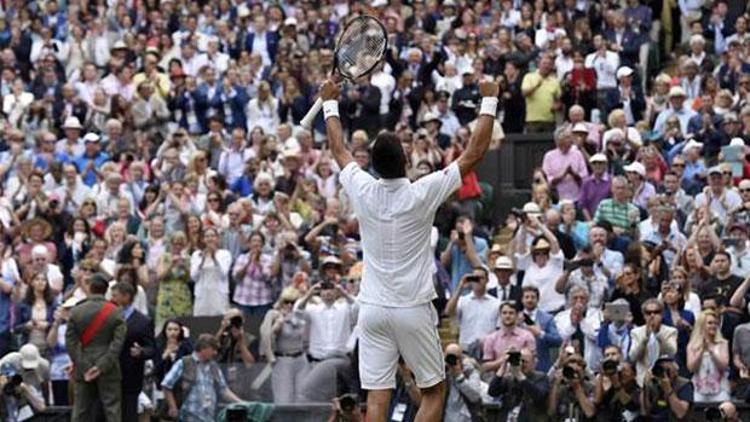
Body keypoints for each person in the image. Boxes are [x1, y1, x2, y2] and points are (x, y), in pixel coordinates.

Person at [318, 77, 499, 422]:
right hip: (412, 309)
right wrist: (489, 100)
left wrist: (330, 103)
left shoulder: (362, 188)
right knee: (434, 392)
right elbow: (474, 153)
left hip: (371, 309)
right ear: (405, 159)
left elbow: (339, 149)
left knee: (377, 399)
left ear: (373, 164)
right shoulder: (422, 192)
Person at [65, 273, 127, 422]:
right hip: (109, 368)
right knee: (112, 410)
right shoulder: (116, 312)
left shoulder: (76, 311)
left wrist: (84, 365)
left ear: (90, 288)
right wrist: (101, 366)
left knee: (80, 411)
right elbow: (117, 344)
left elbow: (71, 342)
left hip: (83, 366)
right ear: (106, 290)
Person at [295, 281, 357, 403]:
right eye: (324, 289)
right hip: (318, 361)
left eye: (331, 289)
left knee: (340, 398)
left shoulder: (344, 308)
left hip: (340, 363)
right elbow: (297, 312)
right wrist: (309, 294)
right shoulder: (313, 309)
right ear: (320, 292)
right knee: (313, 397)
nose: (328, 292)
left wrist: (344, 293)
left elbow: (358, 307)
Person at [161, 333, 243, 421]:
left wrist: (241, 403)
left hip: (208, 417)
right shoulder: (184, 363)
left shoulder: (213, 367)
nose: (215, 353)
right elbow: (166, 385)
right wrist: (172, 407)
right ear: (204, 348)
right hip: (188, 416)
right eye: (213, 349)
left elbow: (224, 390)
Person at [109, 281, 156, 422]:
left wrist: (141, 352)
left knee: (129, 413)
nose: (112, 299)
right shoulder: (109, 317)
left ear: (126, 296)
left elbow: (152, 348)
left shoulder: (143, 321)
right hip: (110, 374)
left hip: (131, 376)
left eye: (115, 295)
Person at [260, 287, 307, 404]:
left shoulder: (301, 315)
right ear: (282, 302)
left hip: (301, 359)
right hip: (283, 360)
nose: (290, 305)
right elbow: (266, 337)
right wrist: (277, 326)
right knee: (284, 399)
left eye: (293, 302)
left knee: (302, 398)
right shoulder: (274, 315)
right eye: (287, 302)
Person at [442, 267, 499, 355]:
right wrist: (460, 287)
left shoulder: (496, 303)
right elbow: (448, 312)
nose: (478, 281)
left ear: (487, 280)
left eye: (481, 278)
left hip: (488, 349)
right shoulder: (462, 300)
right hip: (466, 348)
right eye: (475, 278)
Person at [487, 346, 550, 421]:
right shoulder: (510, 378)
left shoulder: (541, 377)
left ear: (533, 363)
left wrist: (519, 375)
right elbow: (492, 392)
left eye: (524, 361)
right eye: (519, 360)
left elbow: (538, 395)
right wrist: (502, 367)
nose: (521, 364)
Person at [628, 299, 678, 387]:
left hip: (665, 380)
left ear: (662, 315)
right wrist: (645, 338)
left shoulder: (671, 331)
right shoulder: (636, 332)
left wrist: (658, 334)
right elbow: (633, 356)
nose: (652, 315)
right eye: (648, 313)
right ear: (644, 316)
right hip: (643, 380)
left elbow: (672, 352)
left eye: (656, 312)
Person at [686, 310, 730, 403]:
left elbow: (724, 365)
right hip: (698, 389)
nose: (713, 326)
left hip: (720, 389)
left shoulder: (722, 343)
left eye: (715, 323)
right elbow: (691, 368)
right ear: (701, 325)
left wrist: (711, 351)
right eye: (710, 323)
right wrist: (701, 351)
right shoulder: (692, 345)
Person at [482, 301, 536, 373]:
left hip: (522, 378)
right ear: (500, 315)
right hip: (499, 379)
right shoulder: (491, 338)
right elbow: (485, 367)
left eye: (511, 313)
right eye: (504, 313)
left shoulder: (527, 336)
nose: (507, 316)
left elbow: (533, 362)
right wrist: (503, 360)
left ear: (517, 315)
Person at [519, 286, 561, 372]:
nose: (529, 300)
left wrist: (540, 334)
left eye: (533, 297)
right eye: (526, 297)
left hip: (541, 366)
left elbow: (557, 340)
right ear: (522, 299)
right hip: (519, 365)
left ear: (538, 299)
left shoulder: (547, 318)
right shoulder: (515, 318)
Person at [592, 346, 640, 422]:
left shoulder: (636, 389)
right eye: (607, 355)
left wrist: (616, 383)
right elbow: (597, 402)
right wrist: (601, 375)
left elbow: (631, 405)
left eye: (613, 354)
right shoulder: (606, 382)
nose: (610, 357)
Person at [641, 355, 692, 421]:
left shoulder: (684, 384)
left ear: (675, 370)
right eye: (661, 368)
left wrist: (668, 389)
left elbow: (680, 413)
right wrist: (646, 386)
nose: (664, 372)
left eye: (667, 369)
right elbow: (645, 412)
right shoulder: (654, 384)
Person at [442, 343, 484, 422]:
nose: (452, 361)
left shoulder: (470, 372)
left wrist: (460, 377)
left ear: (461, 358)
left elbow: (475, 397)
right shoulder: (442, 374)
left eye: (455, 357)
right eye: (449, 357)